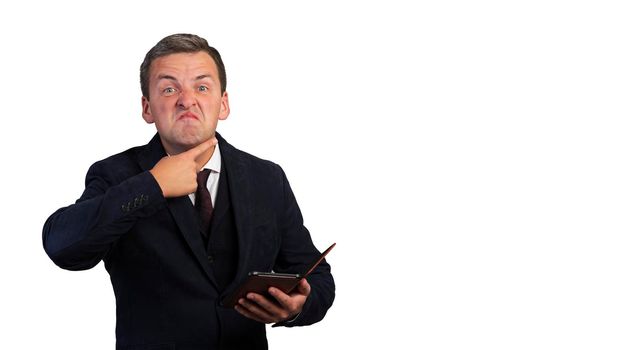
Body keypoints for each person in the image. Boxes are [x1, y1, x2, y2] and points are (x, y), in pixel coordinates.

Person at [42, 33, 335, 350]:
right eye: (169, 89)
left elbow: (318, 277)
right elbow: (62, 246)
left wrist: (298, 308)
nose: (186, 99)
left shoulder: (267, 177)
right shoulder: (116, 175)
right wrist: (152, 185)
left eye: (202, 86)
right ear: (147, 108)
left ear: (223, 104)